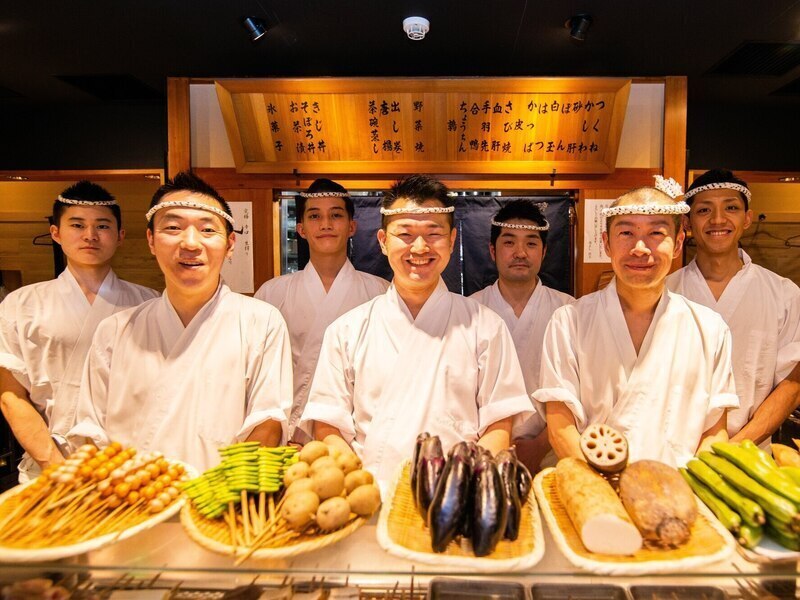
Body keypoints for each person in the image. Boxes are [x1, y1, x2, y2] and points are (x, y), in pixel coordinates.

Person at [299, 174, 533, 482]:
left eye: (433, 234)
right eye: (405, 234)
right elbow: (327, 426)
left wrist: (462, 485)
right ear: (383, 242)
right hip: (373, 495)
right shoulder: (347, 330)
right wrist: (360, 484)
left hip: (455, 496)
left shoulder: (486, 327)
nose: (419, 247)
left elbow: (499, 424)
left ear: (451, 241)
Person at [68, 172, 293, 471]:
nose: (190, 243)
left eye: (207, 230)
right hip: (134, 504)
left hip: (220, 503)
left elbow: (267, 419)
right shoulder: (115, 331)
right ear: (151, 240)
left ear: (230, 244)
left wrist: (228, 493)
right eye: (172, 227)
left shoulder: (261, 322)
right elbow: (89, 431)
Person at [534, 177, 739, 467]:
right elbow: (560, 427)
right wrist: (607, 489)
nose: (640, 248)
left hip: (678, 492)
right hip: (596, 490)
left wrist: (683, 490)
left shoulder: (710, 329)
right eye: (626, 232)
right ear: (606, 243)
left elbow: (715, 431)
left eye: (656, 232)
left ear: (678, 243)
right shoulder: (569, 322)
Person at [0, 181, 158, 481]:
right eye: (77, 224)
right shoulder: (21, 304)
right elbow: (11, 396)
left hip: (129, 463)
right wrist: (55, 466)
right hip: (49, 460)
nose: (90, 235)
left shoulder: (147, 302)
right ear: (55, 233)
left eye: (102, 226)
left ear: (120, 235)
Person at [667, 169, 800, 443]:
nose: (718, 219)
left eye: (731, 208)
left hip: (749, 452)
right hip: (671, 452)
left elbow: (792, 384)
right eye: (704, 210)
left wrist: (734, 447)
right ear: (687, 222)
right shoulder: (665, 292)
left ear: (747, 218)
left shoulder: (783, 295)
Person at [255, 179, 387, 441]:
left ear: (352, 226)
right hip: (288, 435)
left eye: (336, 215)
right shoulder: (272, 293)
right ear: (301, 229)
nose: (326, 224)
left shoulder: (381, 292)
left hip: (356, 434)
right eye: (315, 216)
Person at [471, 200, 573, 471]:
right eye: (509, 243)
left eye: (530, 243)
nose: (520, 253)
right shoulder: (469, 311)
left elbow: (580, 390)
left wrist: (540, 445)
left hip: (553, 452)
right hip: (485, 451)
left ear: (544, 251)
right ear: (492, 250)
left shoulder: (570, 310)